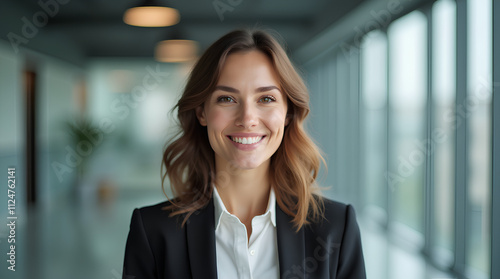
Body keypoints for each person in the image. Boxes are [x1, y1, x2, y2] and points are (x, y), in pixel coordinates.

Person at [122, 29, 366, 279]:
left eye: (266, 98)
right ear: (201, 112)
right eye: (227, 98)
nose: (247, 119)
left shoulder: (336, 227)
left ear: (288, 113)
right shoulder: (153, 231)